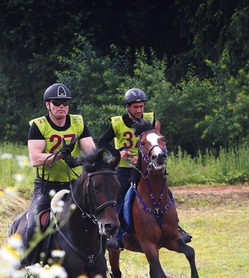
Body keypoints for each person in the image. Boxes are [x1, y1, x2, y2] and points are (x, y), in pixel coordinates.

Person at [98, 87, 192, 249]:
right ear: (128, 107)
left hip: (147, 166)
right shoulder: (117, 123)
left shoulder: (150, 119)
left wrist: (143, 157)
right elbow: (102, 142)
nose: (139, 110)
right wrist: (118, 153)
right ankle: (115, 236)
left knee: (165, 192)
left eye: (141, 106)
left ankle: (176, 227)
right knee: (119, 196)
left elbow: (156, 140)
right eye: (135, 107)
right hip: (125, 168)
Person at [22, 82, 96, 266]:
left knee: (98, 218)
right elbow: (35, 159)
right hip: (47, 186)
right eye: (56, 102)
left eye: (65, 102)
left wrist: (78, 160)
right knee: (33, 225)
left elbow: (92, 153)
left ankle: (101, 268)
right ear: (48, 104)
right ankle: (27, 268)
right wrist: (59, 156)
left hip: (74, 185)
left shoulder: (78, 122)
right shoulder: (38, 126)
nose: (61, 106)